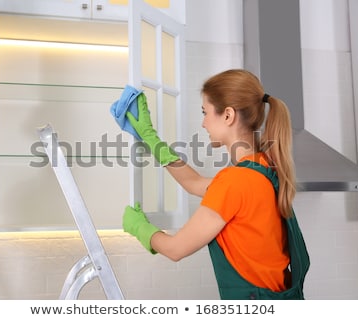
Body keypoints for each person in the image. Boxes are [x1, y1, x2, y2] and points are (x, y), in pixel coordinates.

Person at [119, 69, 309, 299]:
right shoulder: (263, 169)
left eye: (205, 112)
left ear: (228, 115)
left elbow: (175, 249)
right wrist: (150, 138)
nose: (203, 123)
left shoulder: (235, 181)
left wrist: (138, 227)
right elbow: (193, 182)